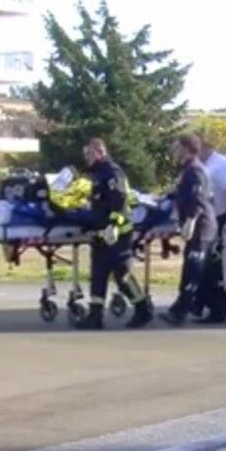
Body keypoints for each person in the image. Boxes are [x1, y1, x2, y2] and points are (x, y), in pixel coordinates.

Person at [75, 138, 152, 330]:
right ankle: (95, 315)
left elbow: (119, 202)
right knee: (99, 273)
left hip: (118, 235)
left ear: (100, 152)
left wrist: (113, 226)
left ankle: (142, 310)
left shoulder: (112, 173)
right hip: (103, 232)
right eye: (85, 155)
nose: (86, 158)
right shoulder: (97, 174)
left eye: (89, 154)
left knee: (122, 276)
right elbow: (99, 205)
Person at [160, 134, 219, 326]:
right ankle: (216, 310)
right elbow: (183, 193)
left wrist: (191, 220)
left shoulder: (194, 170)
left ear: (186, 148)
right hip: (200, 226)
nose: (174, 151)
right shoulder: (189, 170)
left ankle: (179, 312)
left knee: (193, 270)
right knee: (203, 271)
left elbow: (198, 198)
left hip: (201, 226)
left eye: (177, 147)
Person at [200, 139, 226, 319]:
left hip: (224, 216)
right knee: (224, 261)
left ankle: (217, 310)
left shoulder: (219, 166)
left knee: (214, 264)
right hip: (219, 216)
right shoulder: (210, 163)